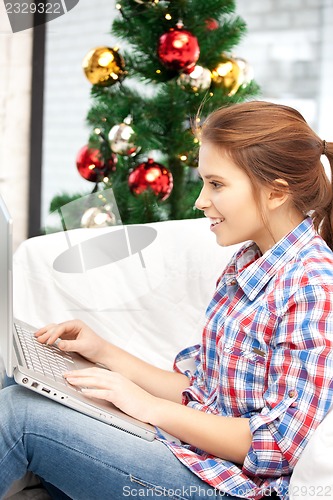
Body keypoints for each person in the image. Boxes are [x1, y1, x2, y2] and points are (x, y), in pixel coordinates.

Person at [1, 100, 333, 500]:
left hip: (232, 489)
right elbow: (205, 394)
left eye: (216, 184)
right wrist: (103, 351)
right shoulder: (250, 262)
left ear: (276, 193)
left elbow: (280, 446)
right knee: (16, 379)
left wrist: (147, 407)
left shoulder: (313, 285)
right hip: (196, 459)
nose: (200, 200)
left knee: (19, 415)